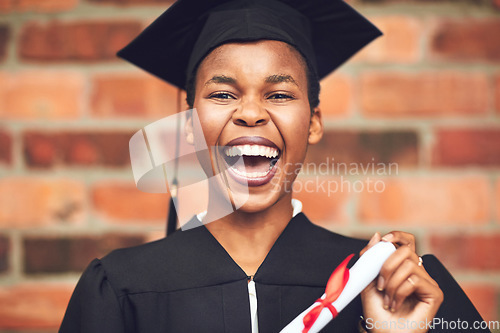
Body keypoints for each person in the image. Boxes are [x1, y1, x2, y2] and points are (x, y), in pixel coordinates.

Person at [59, 0, 490, 332]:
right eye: (223, 94)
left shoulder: (391, 285)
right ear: (189, 125)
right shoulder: (120, 289)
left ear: (314, 122)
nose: (251, 113)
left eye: (279, 94)